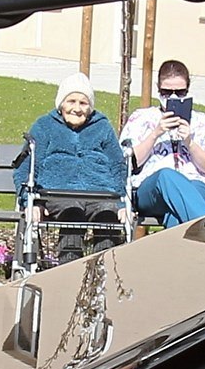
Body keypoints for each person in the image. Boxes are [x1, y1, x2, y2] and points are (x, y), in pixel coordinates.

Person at [19, 77, 126, 264]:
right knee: (72, 211)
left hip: (101, 193)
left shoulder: (102, 126)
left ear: (90, 107)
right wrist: (30, 202)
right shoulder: (44, 126)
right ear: (61, 104)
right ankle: (70, 272)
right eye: (71, 101)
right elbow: (26, 168)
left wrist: (123, 203)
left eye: (83, 103)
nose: (77, 108)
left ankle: (102, 271)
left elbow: (118, 166)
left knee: (108, 214)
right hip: (58, 192)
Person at [119, 61, 205, 230]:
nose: (173, 98)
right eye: (166, 92)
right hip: (152, 190)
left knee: (177, 213)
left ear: (188, 90)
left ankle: (181, 247)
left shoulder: (202, 121)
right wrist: (156, 133)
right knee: (166, 176)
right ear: (158, 89)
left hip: (196, 184)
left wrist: (189, 142)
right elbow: (129, 163)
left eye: (180, 92)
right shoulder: (141, 118)